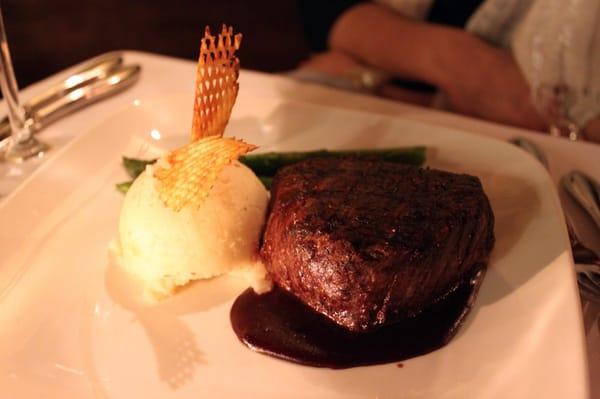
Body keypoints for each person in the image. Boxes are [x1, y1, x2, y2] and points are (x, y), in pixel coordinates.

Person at [295, 0, 600, 142]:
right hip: (376, 100)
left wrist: (381, 85)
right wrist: (453, 60)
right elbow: (329, 14)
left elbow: (524, 105)